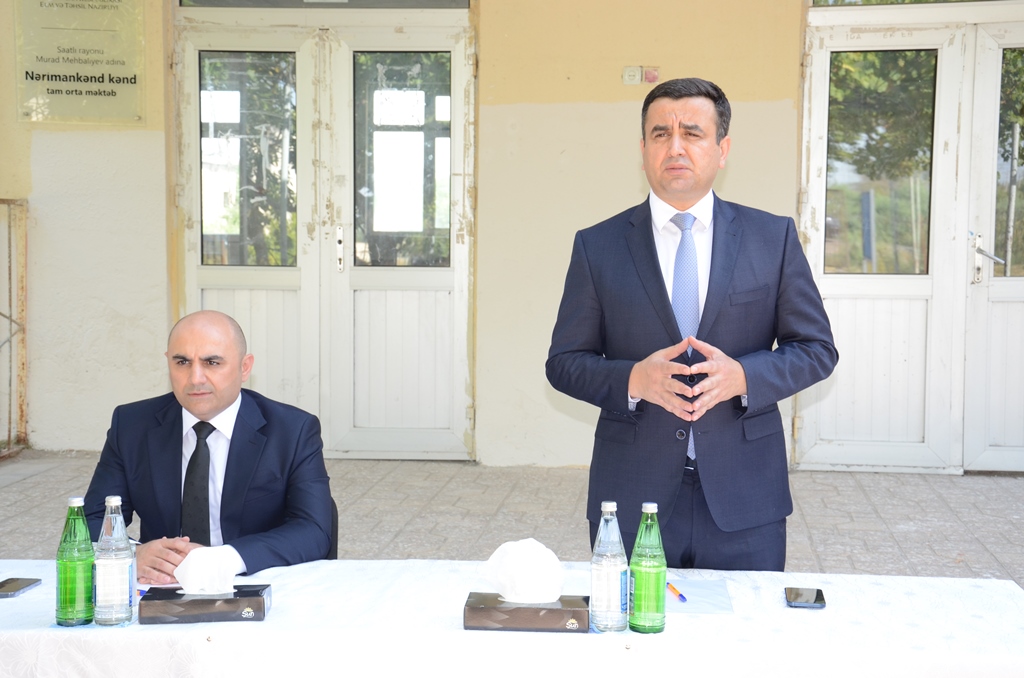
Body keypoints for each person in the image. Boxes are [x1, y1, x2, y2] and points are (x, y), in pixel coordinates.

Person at [546, 78, 838, 571]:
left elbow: (816, 349)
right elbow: (564, 363)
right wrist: (633, 380)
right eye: (660, 134)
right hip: (632, 494)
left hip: (746, 496)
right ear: (643, 150)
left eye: (693, 133)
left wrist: (743, 377)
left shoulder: (772, 238)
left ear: (722, 149)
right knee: (633, 621)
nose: (675, 147)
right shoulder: (598, 246)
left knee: (747, 619)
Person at [84, 310, 333, 584]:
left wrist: (222, 559)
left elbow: (314, 530)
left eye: (212, 362)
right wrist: (132, 554)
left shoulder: (292, 430)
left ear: (245, 367)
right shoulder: (132, 425)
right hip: (163, 584)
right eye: (182, 362)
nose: (195, 378)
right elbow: (92, 520)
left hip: (252, 580)